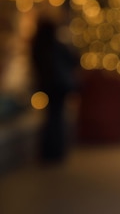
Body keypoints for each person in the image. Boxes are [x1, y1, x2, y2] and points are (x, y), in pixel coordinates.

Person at [30, 12, 79, 164]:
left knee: (52, 117)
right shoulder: (57, 44)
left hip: (48, 86)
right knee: (56, 117)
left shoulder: (37, 45)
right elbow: (73, 60)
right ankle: (56, 150)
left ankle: (50, 150)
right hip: (60, 86)